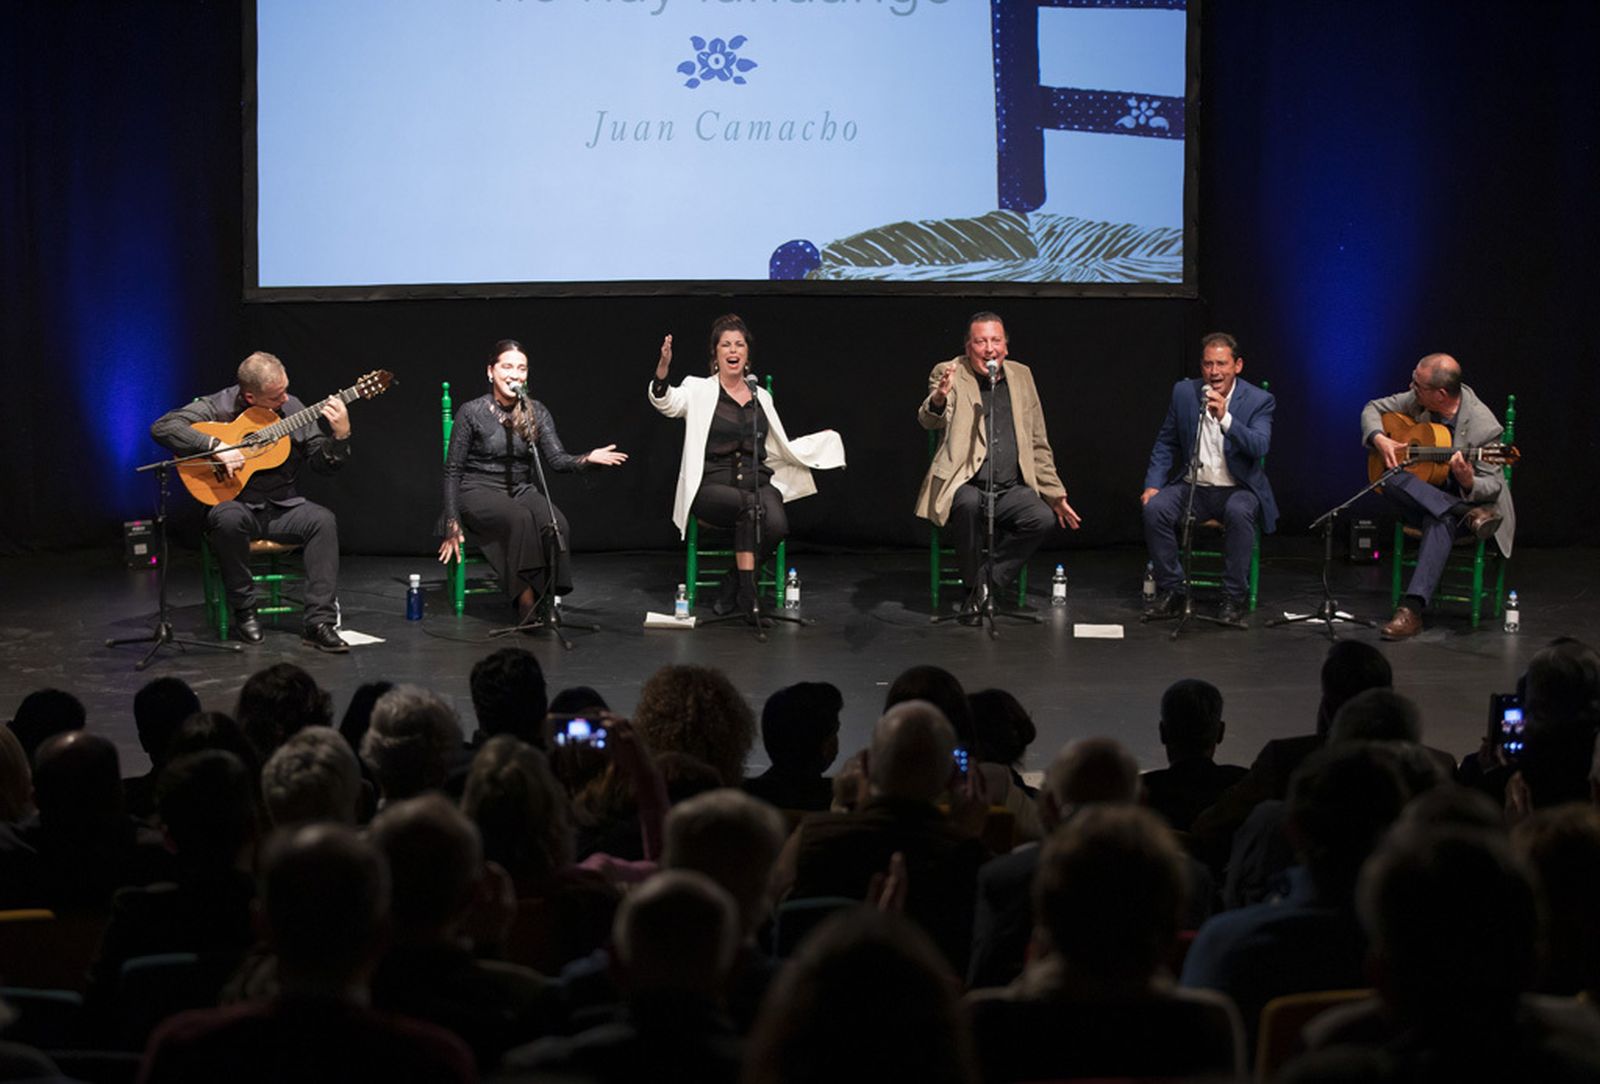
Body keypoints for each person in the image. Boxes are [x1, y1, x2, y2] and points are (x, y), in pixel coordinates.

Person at [150, 351, 352, 653]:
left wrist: (340, 436)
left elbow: (321, 465)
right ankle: (245, 609)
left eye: (285, 389)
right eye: (274, 396)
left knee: (323, 520)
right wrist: (215, 445)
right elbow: (162, 428)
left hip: (283, 507)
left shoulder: (293, 408)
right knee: (226, 519)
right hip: (237, 505)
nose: (284, 399)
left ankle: (318, 623)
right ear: (249, 395)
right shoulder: (216, 407)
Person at [648, 314, 846, 618]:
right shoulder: (699, 390)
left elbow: (777, 444)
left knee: (778, 525)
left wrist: (817, 443)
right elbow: (667, 403)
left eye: (739, 345)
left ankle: (733, 583)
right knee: (751, 509)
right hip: (712, 485)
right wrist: (662, 373)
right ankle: (748, 595)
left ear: (747, 355)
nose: (733, 350)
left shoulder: (760, 396)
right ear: (715, 354)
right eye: (726, 344)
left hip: (757, 480)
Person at [438, 339, 627, 624]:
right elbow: (452, 470)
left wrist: (587, 458)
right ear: (491, 371)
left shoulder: (535, 411)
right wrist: (451, 521)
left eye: (522, 368)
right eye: (507, 366)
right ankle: (525, 603)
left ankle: (546, 598)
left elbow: (557, 460)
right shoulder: (472, 412)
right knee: (521, 519)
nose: (514, 374)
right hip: (478, 489)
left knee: (556, 524)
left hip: (520, 489)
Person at [916, 312, 1082, 621]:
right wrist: (939, 397)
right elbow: (929, 420)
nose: (989, 349)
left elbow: (1037, 441)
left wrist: (1054, 493)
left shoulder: (1022, 376)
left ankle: (983, 584)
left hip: (1009, 488)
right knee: (965, 505)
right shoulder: (949, 371)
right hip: (965, 484)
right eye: (981, 341)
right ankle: (973, 589)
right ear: (969, 347)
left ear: (1005, 346)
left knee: (1041, 518)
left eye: (996, 341)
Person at [1361, 351, 1515, 639]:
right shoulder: (1419, 398)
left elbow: (1493, 486)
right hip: (1444, 505)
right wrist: (1379, 438)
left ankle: (1411, 610)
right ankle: (1460, 511)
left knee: (1439, 519)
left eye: (1417, 385)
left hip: (1470, 506)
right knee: (1389, 478)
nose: (1411, 389)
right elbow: (1372, 408)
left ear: (1441, 394)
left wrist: (1469, 482)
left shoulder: (1484, 426)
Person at [1141, 332, 1277, 627]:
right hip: (1194, 487)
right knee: (1155, 509)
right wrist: (1153, 484)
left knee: (1240, 512)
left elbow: (1259, 446)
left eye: (1221, 364)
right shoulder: (1184, 393)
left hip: (1237, 489)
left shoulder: (1259, 400)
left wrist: (1226, 418)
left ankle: (1232, 597)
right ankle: (1174, 589)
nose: (1214, 372)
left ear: (1237, 366)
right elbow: (1166, 442)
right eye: (1207, 365)